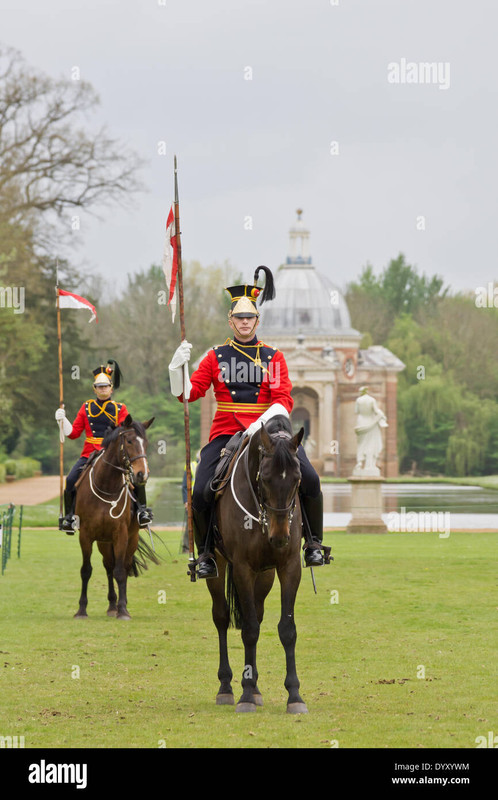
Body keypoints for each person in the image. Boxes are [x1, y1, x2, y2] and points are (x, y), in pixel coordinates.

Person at [168, 266, 325, 578]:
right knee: (201, 490)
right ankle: (206, 554)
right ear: (231, 320)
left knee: (310, 478)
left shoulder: (274, 357)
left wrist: (259, 426)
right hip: (226, 434)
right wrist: (176, 369)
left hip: (272, 433)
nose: (244, 322)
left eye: (249, 317)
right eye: (239, 318)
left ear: (257, 320)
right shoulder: (215, 356)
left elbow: (283, 399)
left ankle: (313, 544)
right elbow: (189, 394)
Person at [55, 359, 153, 534]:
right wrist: (62, 421)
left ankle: (142, 511)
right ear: (94, 388)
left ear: (111, 388)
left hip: (111, 454)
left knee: (136, 478)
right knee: (70, 480)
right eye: (99, 387)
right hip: (89, 454)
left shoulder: (120, 408)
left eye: (105, 386)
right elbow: (74, 433)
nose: (102, 389)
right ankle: (70, 517)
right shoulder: (85, 408)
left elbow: (126, 432)